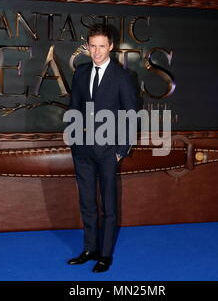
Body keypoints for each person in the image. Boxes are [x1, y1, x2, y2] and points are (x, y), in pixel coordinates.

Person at [66, 23, 137, 272]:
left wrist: (121, 150)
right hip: (82, 150)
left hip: (109, 151)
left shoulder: (123, 76)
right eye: (92, 47)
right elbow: (74, 108)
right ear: (88, 46)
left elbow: (131, 115)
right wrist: (74, 141)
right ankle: (89, 249)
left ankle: (105, 255)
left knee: (108, 205)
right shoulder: (81, 72)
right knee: (87, 202)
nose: (96, 52)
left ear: (111, 47)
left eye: (101, 47)